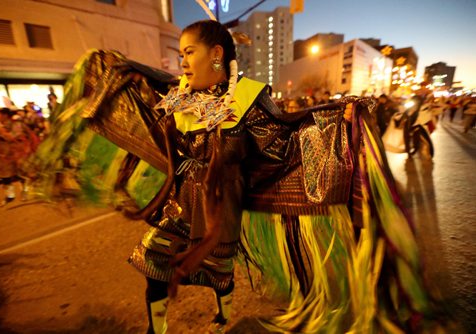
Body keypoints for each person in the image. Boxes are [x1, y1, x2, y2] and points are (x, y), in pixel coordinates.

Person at [25, 21, 450, 334]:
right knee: (154, 265)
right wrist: (120, 66)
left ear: (215, 54)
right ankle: (159, 331)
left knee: (217, 273)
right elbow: (158, 84)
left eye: (189, 51)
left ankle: (225, 315)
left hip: (219, 209)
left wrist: (341, 118)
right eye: (182, 53)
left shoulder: (248, 98)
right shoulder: (181, 96)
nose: (181, 60)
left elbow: (284, 137)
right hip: (180, 203)